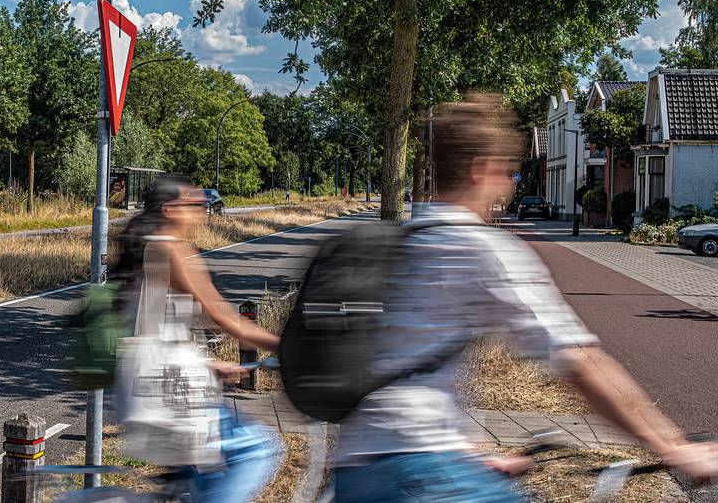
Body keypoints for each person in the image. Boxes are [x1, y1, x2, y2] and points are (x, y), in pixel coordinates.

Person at [328, 93, 717, 502]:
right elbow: (580, 362)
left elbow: (394, 362)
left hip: (356, 467)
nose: (510, 187)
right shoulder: (480, 247)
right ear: (482, 171)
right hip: (419, 473)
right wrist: (673, 447)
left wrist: (466, 453)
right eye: (507, 174)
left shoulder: (394, 245)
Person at [110, 174, 282, 503]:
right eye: (194, 204)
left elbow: (156, 331)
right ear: (170, 210)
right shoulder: (173, 249)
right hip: (171, 396)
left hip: (142, 390)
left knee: (201, 473)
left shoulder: (144, 250)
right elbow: (224, 319)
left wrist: (207, 363)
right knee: (258, 449)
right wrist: (288, 346)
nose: (201, 211)